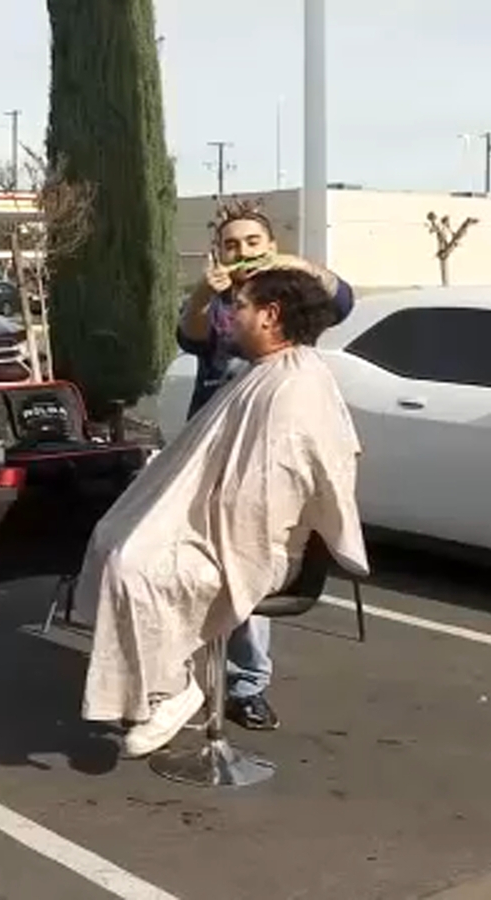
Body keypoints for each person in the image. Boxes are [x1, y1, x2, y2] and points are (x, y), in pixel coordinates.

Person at [79, 267, 369, 758]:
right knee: (115, 537)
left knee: (137, 566)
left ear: (270, 316)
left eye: (239, 306)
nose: (229, 316)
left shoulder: (295, 387)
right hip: (221, 525)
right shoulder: (262, 372)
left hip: (259, 545)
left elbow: (268, 494)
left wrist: (195, 528)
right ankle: (157, 684)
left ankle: (170, 689)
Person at [175, 204, 356, 732]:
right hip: (211, 450)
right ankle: (178, 680)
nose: (243, 252)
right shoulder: (218, 304)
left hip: (269, 458)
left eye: (253, 242)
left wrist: (296, 264)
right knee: (188, 566)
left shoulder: (294, 297)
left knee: (250, 563)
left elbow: (342, 301)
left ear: (270, 245)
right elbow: (189, 336)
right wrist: (203, 293)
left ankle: (246, 685)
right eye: (232, 244)